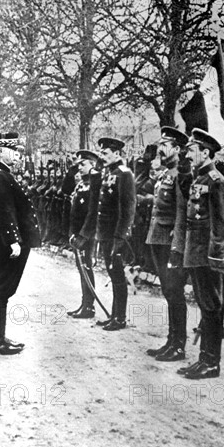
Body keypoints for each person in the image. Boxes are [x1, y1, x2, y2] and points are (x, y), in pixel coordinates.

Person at [172, 129, 224, 379]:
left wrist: (217, 256)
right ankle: (204, 359)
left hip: (207, 256)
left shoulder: (216, 181)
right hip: (195, 253)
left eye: (192, 150)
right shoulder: (200, 179)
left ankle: (211, 362)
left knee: (211, 308)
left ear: (205, 152)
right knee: (205, 306)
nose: (188, 154)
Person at [0, 132, 41, 355]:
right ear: (3, 151)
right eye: (14, 151)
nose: (17, 156)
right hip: (1, 243)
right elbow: (4, 210)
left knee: (1, 290)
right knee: (1, 290)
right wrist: (13, 240)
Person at [145, 126, 189, 362]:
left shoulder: (180, 175)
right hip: (158, 239)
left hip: (170, 242)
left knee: (175, 292)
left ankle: (179, 345)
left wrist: (177, 247)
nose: (160, 149)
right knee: (168, 292)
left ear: (177, 149)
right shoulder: (165, 174)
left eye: (165, 144)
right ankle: (171, 341)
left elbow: (182, 214)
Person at [95, 137, 136, 331]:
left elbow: (127, 208)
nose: (102, 156)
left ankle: (120, 318)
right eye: (102, 153)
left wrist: (120, 237)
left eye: (105, 153)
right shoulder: (109, 173)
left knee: (118, 276)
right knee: (113, 274)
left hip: (115, 234)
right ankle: (114, 314)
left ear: (117, 154)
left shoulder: (124, 174)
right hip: (106, 233)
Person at [67, 150, 101, 319]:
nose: (79, 167)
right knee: (81, 269)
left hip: (87, 235)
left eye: (83, 164)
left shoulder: (95, 184)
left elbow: (92, 214)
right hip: (77, 235)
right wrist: (72, 233)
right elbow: (75, 212)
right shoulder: (81, 183)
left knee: (87, 268)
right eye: (78, 164)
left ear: (93, 165)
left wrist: (83, 236)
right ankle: (84, 303)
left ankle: (89, 307)